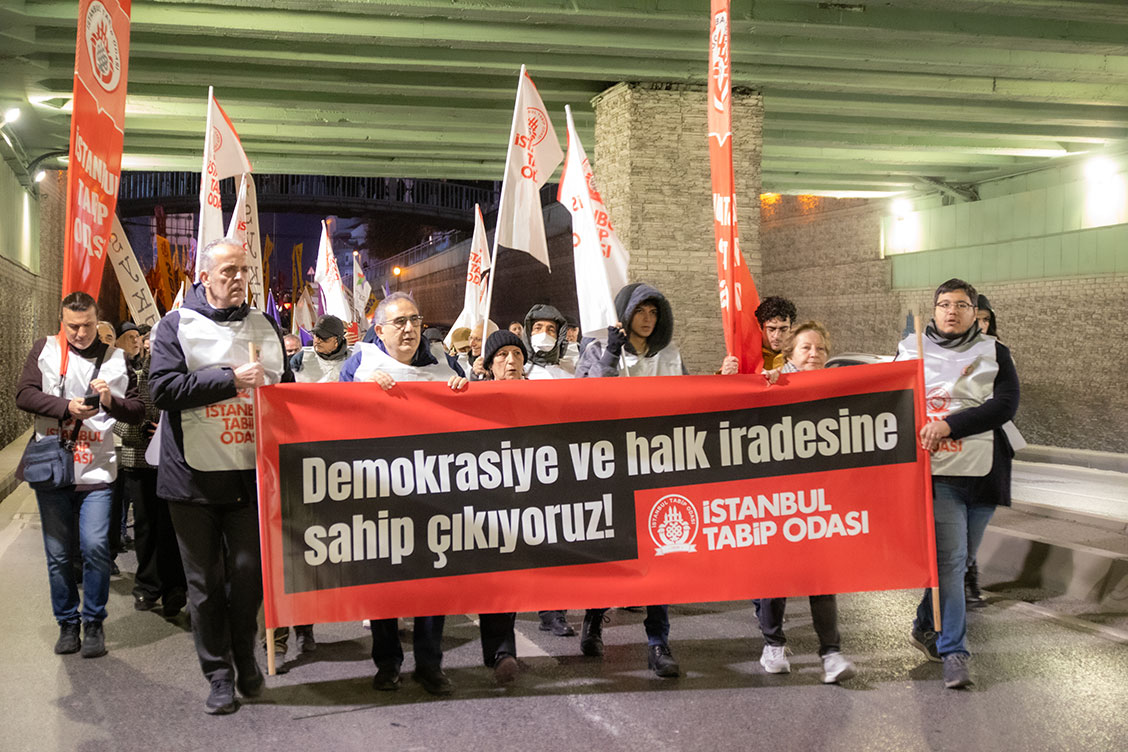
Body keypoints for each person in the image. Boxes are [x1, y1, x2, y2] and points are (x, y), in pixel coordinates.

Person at [150, 239, 292, 714]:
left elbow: (287, 393)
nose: (237, 278)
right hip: (192, 481)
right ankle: (218, 673)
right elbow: (163, 390)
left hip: (250, 478)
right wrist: (229, 380)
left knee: (250, 576)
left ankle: (246, 655)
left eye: (243, 270)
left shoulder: (264, 324)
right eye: (227, 270)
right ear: (204, 276)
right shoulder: (176, 326)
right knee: (205, 585)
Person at [339, 292, 468, 695]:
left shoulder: (445, 364)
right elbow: (329, 415)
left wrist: (464, 388)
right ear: (380, 330)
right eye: (400, 323)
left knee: (435, 581)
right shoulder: (360, 365)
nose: (410, 329)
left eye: (415, 320)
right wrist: (359, 394)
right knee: (386, 581)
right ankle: (388, 661)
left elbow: (470, 414)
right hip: (380, 491)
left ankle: (429, 664)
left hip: (433, 492)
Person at [898, 278, 1019, 690]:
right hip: (938, 475)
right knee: (950, 562)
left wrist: (950, 423)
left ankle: (922, 624)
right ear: (934, 311)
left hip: (984, 472)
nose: (952, 311)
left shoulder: (995, 351)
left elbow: (1004, 405)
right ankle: (955, 651)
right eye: (944, 304)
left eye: (962, 305)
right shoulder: (910, 350)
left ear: (975, 313)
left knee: (962, 560)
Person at [16, 292, 143, 659]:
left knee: (96, 547)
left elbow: (135, 411)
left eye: (88, 325)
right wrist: (64, 407)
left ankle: (94, 622)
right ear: (62, 321)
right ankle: (67, 623)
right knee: (58, 554)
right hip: (52, 468)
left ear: (96, 318)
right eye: (73, 326)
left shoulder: (116, 359)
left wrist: (109, 402)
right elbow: (23, 394)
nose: (81, 333)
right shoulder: (45, 350)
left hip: (98, 470)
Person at [737, 322, 858, 685]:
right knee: (775, 573)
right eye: (806, 348)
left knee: (822, 575)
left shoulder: (833, 389)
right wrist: (746, 382)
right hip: (777, 495)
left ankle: (831, 653)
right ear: (789, 353)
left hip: (818, 496)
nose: (814, 354)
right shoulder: (770, 383)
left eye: (820, 349)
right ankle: (773, 644)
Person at [574, 282, 684, 678]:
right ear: (626, 313)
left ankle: (659, 642)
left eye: (654, 313)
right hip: (613, 470)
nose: (648, 319)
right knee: (612, 555)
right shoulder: (597, 351)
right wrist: (611, 353)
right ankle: (593, 619)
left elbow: (690, 401)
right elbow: (585, 399)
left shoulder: (671, 356)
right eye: (641, 311)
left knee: (659, 560)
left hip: (657, 469)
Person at [471, 329, 533, 684]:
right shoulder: (475, 395)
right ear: (490, 365)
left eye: (517, 355)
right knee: (496, 577)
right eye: (501, 356)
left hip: (532, 500)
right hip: (490, 503)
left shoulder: (543, 394)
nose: (511, 362)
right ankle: (502, 651)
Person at [113, 322, 187, 618]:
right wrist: (139, 427)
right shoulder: (132, 373)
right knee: (145, 527)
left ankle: (175, 589)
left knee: (173, 528)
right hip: (140, 460)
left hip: (175, 461)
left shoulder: (184, 373)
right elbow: (113, 414)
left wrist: (168, 428)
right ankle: (147, 585)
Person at [516, 304, 578, 636]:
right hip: (526, 467)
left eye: (551, 330)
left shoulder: (571, 372)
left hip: (564, 467)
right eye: (538, 327)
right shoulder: (518, 370)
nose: (544, 335)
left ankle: (553, 610)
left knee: (558, 540)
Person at [290, 314, 352, 384]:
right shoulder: (300, 359)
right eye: (316, 335)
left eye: (323, 337)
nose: (317, 341)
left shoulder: (353, 359)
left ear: (337, 340)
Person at [754, 296, 797, 371]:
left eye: (783, 329)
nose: (777, 336)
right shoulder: (747, 359)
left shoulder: (802, 357)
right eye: (771, 329)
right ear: (760, 328)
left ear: (791, 328)